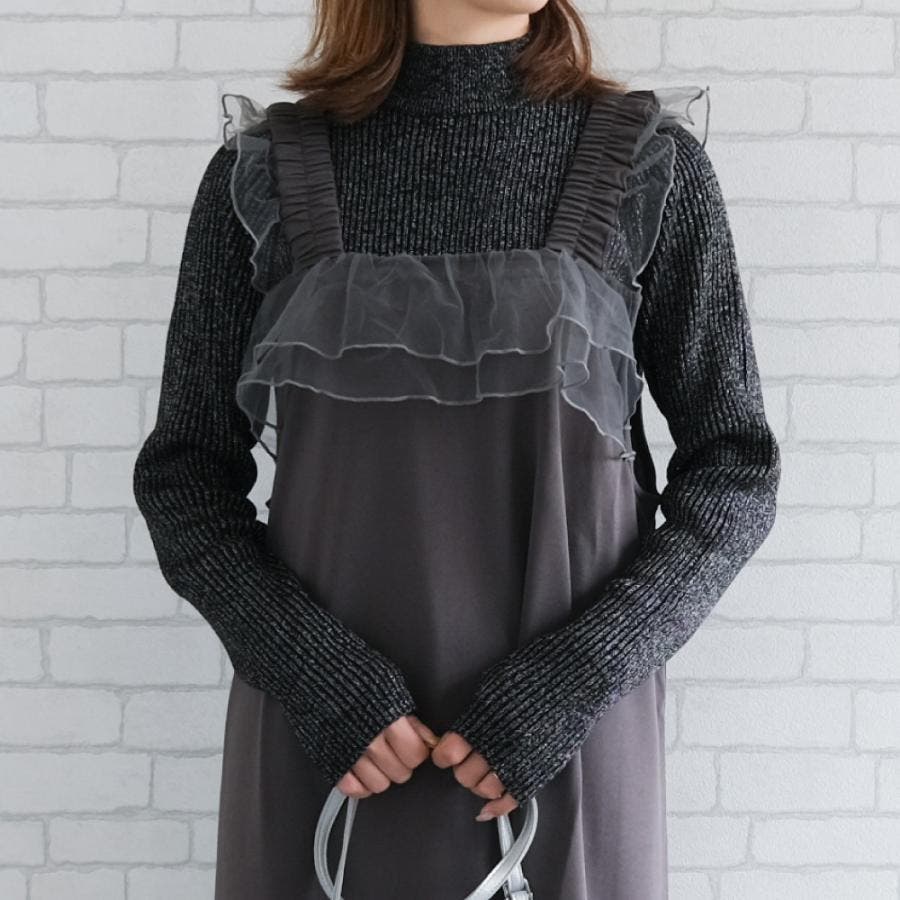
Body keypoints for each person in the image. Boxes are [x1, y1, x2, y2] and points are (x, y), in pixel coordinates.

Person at [132, 2, 781, 897]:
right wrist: (311, 671)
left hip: (569, 743)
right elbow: (184, 477)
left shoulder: (646, 168)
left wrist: (579, 675)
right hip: (335, 751)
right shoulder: (268, 174)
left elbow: (736, 468)